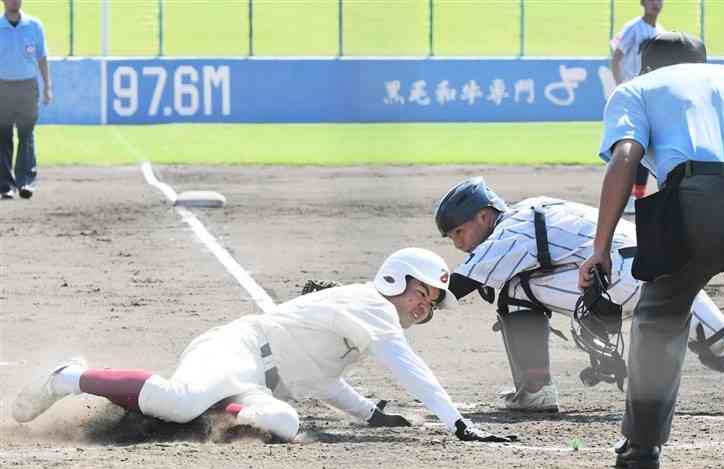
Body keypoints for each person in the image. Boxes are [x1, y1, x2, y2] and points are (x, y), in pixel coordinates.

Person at [580, 32, 724, 469]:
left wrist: (600, 248)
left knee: (659, 317)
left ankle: (642, 446)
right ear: (705, 60)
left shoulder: (639, 89)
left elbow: (626, 157)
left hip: (692, 204)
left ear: (647, 65)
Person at [13, 248, 512, 444]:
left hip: (254, 382)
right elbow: (409, 367)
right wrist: (458, 422)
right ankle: (67, 376)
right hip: (238, 348)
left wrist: (368, 415)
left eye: (432, 302)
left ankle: (206, 407)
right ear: (394, 279)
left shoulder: (370, 324)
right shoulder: (374, 308)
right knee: (178, 400)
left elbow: (322, 381)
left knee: (285, 423)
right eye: (422, 293)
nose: (425, 307)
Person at [434, 177, 724, 413]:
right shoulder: (535, 208)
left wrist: (411, 304)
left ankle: (535, 391)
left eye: (459, 232)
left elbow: (460, 285)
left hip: (626, 279)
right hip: (661, 266)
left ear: (484, 215)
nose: (459, 244)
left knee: (517, 289)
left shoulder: (511, 230)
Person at [610, 0, 664, 215]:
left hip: (652, 96)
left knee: (651, 144)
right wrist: (620, 88)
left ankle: (641, 195)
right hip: (633, 94)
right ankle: (633, 196)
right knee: (634, 143)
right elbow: (616, 57)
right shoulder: (633, 28)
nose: (655, 3)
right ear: (642, 3)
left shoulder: (660, 32)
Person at [0, 0, 51, 200]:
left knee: (26, 134)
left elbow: (42, 57)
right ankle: (5, 185)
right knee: (3, 136)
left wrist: (48, 87)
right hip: (2, 86)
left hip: (28, 87)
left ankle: (25, 182)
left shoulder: (34, 26)